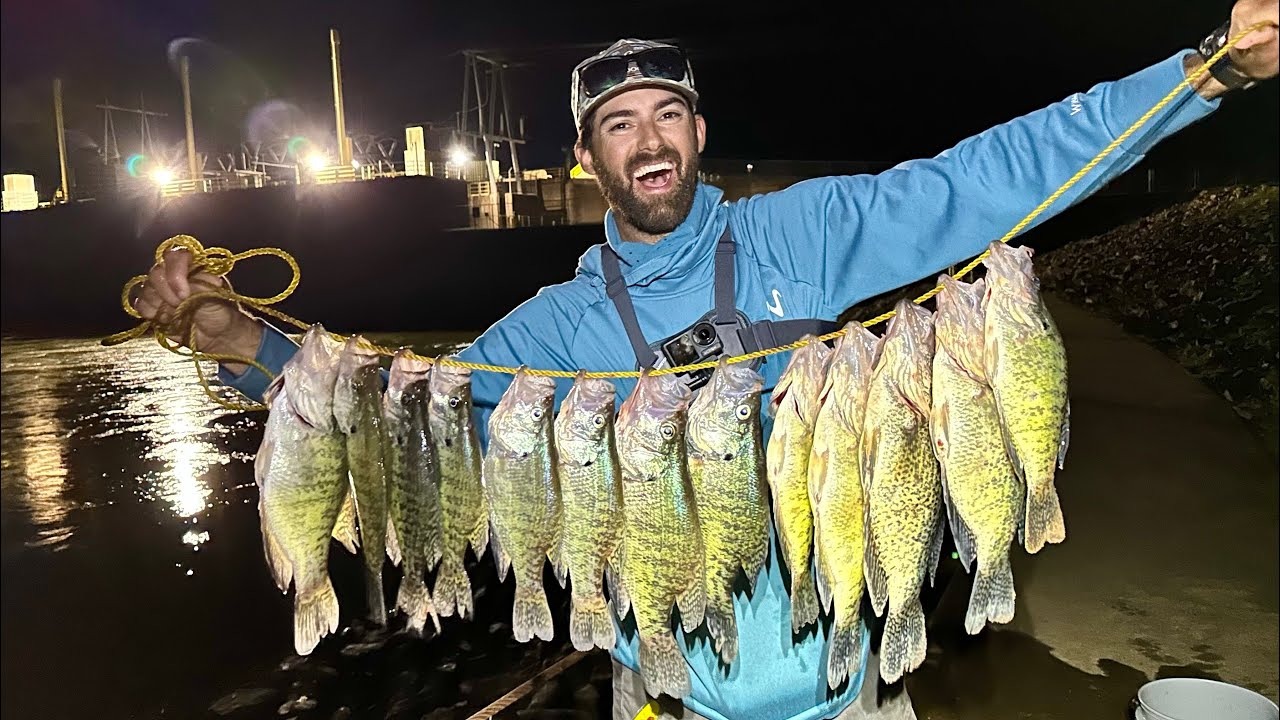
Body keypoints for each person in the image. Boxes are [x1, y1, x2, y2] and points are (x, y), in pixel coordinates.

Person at [135, 5, 1278, 719]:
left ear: (694, 130)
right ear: (586, 157)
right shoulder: (554, 333)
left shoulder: (795, 235)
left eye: (665, 114)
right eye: (618, 123)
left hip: (850, 688)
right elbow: (392, 410)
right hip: (672, 698)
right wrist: (246, 347)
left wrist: (1200, 74)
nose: (648, 140)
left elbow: (983, 177)